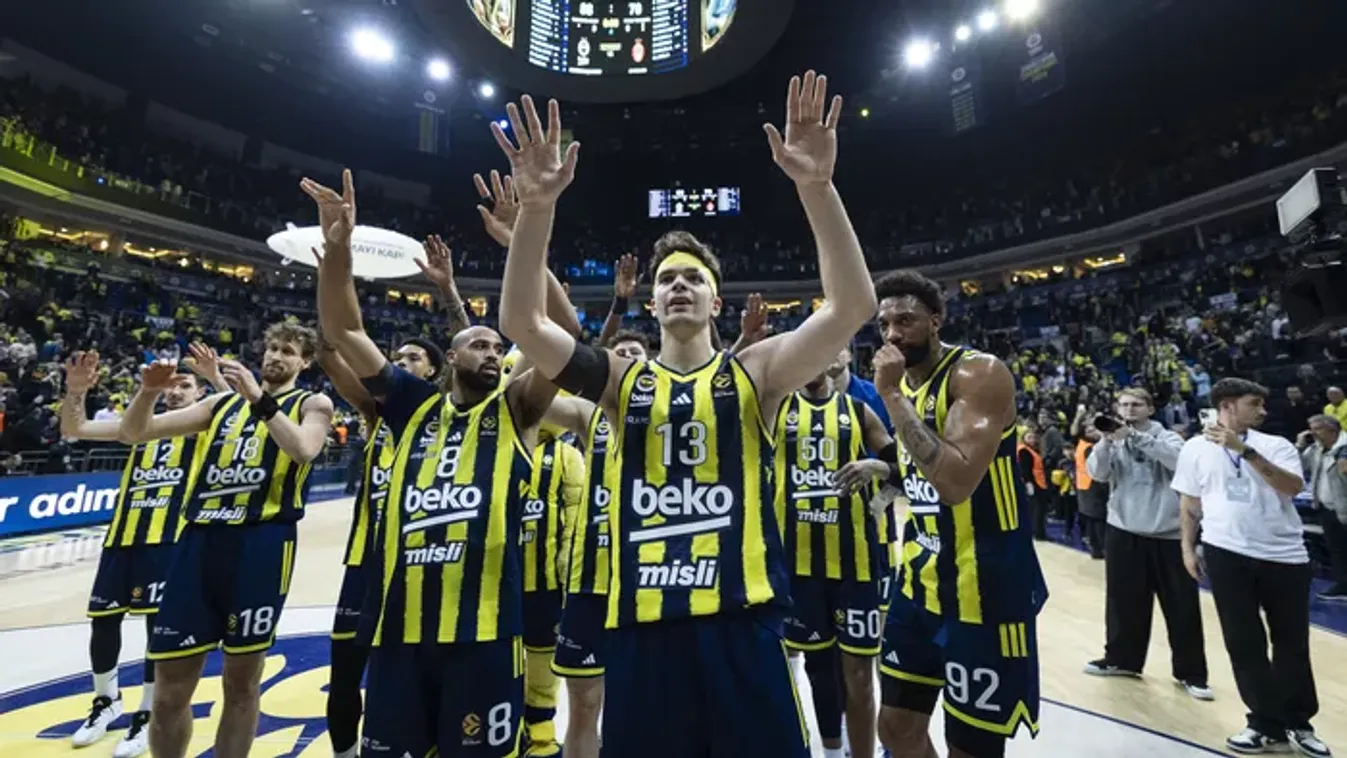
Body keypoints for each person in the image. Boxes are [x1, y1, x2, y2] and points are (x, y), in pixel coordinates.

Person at [494, 72, 877, 757]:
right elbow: (522, 322)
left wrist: (817, 188)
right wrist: (537, 210)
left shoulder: (755, 372)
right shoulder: (619, 380)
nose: (678, 285)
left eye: (693, 278)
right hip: (643, 627)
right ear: (652, 301)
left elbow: (852, 306)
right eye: (667, 278)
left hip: (742, 623)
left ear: (714, 301)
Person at [305, 168, 581, 757]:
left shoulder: (517, 409)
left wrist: (525, 237)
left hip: (484, 635)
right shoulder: (409, 404)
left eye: (499, 347)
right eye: (480, 344)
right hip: (401, 633)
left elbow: (565, 332)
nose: (494, 353)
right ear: (450, 358)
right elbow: (344, 328)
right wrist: (338, 246)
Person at [118, 326, 334, 758]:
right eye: (271, 348)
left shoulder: (312, 403)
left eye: (288, 351)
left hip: (262, 544)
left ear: (305, 362)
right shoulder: (220, 405)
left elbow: (304, 450)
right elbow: (134, 433)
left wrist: (258, 398)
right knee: (168, 691)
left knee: (240, 684)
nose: (276, 356)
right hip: (199, 542)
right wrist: (147, 392)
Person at [868, 269, 1045, 758]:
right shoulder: (905, 386)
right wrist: (883, 470)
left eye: (906, 320)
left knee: (970, 747)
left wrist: (890, 397)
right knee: (896, 729)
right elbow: (919, 468)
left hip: (985, 591)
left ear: (937, 319)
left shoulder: (978, 373)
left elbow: (954, 483)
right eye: (884, 324)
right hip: (918, 582)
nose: (893, 334)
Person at [314, 237, 457, 758]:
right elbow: (330, 352)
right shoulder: (375, 414)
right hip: (366, 562)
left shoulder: (448, 415)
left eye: (413, 357)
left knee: (416, 678)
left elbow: (469, 352)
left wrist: (449, 292)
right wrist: (332, 273)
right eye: (397, 357)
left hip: (425, 563)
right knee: (344, 674)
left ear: (434, 370)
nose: (401, 362)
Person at [57, 350, 216, 758]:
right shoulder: (139, 425)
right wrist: (75, 392)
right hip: (122, 537)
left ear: (200, 394)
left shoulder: (205, 427)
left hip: (168, 540)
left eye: (185, 385)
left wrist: (216, 376)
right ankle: (106, 701)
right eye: (171, 386)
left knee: (155, 632)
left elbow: (239, 409)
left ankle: (148, 713)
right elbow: (74, 427)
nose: (175, 392)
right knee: (103, 622)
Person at [1173, 378, 1332, 758]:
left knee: (1291, 643)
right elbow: (1190, 502)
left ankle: (1299, 722)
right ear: (1228, 406)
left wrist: (1244, 451)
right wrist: (1187, 548)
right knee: (1243, 643)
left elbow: (1291, 487)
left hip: (1284, 556)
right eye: (1254, 404)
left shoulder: (1275, 445)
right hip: (1225, 553)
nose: (1263, 411)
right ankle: (1263, 722)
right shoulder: (1194, 448)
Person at [776, 369, 892, 758]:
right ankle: (830, 751)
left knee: (860, 677)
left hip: (856, 566)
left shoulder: (857, 411)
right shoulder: (777, 407)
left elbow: (904, 466)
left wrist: (878, 472)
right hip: (797, 564)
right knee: (818, 670)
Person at [1083, 387, 1210, 699]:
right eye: (1124, 404)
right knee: (1123, 602)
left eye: (1136, 404)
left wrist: (1133, 437)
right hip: (1124, 529)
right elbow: (1097, 474)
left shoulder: (1168, 437)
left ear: (1150, 409)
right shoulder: (1113, 440)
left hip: (1168, 533)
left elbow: (1177, 462)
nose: (1129, 409)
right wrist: (1105, 441)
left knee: (1181, 606)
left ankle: (1191, 673)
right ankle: (1122, 659)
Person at [1297, 415, 1347, 602]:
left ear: (1332, 430)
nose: (1312, 433)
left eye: (1317, 429)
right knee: (1337, 549)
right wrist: (1300, 446)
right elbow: (1299, 467)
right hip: (1327, 507)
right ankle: (1344, 586)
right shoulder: (1316, 449)